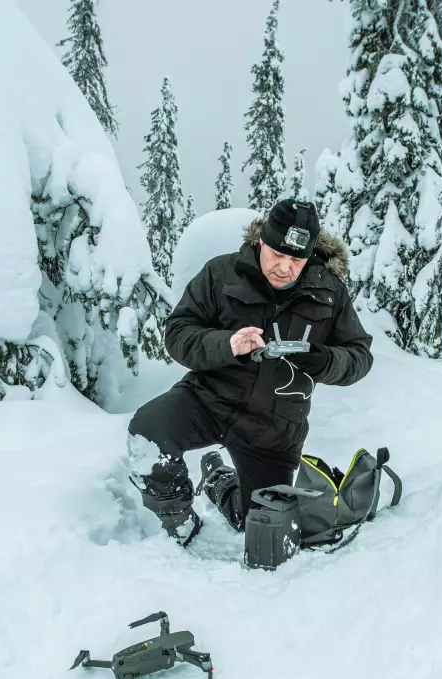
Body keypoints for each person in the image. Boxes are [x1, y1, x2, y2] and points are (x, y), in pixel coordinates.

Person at [127, 198, 374, 546]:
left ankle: (218, 480)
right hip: (207, 399)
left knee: (262, 525)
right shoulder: (220, 273)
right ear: (262, 241)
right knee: (147, 435)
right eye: (277, 255)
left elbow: (359, 356)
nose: (285, 268)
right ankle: (177, 521)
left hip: (274, 428)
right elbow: (178, 333)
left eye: (296, 260)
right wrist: (227, 344)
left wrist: (324, 360)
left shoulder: (330, 292)